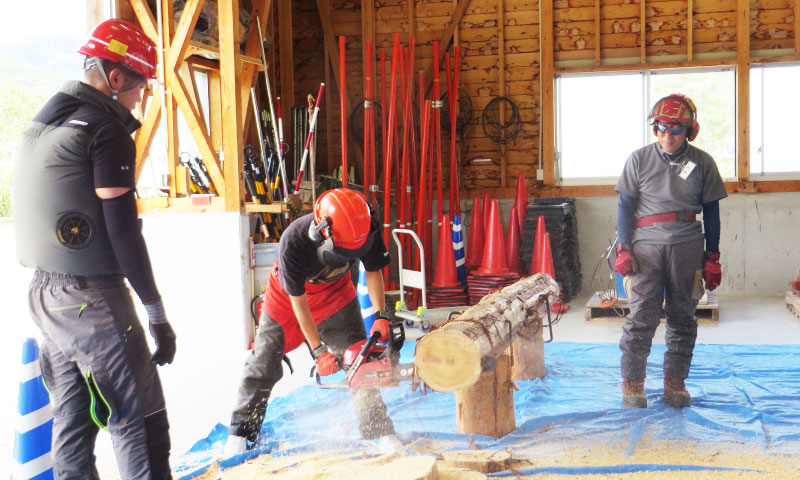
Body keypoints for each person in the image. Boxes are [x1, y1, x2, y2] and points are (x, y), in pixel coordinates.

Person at [12, 19, 176, 479]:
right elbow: (123, 233)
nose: (140, 97)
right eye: (139, 85)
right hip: (91, 300)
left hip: (46, 295)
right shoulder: (106, 130)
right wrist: (157, 315)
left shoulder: (45, 122)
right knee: (141, 421)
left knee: (75, 420)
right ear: (116, 76)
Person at [223, 187, 402, 456]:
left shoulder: (365, 224)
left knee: (360, 360)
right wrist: (319, 351)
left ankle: (378, 431)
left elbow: (373, 268)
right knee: (264, 360)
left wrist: (381, 316)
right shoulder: (293, 242)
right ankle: (240, 433)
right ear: (323, 233)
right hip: (286, 300)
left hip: (336, 294)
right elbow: (299, 303)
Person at [614, 93, 726, 409]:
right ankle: (633, 384)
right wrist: (624, 249)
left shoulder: (702, 163)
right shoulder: (638, 159)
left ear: (690, 131)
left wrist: (713, 256)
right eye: (661, 128)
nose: (667, 135)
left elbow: (712, 212)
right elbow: (624, 206)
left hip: (688, 247)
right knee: (641, 316)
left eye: (675, 129)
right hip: (646, 248)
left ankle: (675, 383)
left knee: (683, 316)